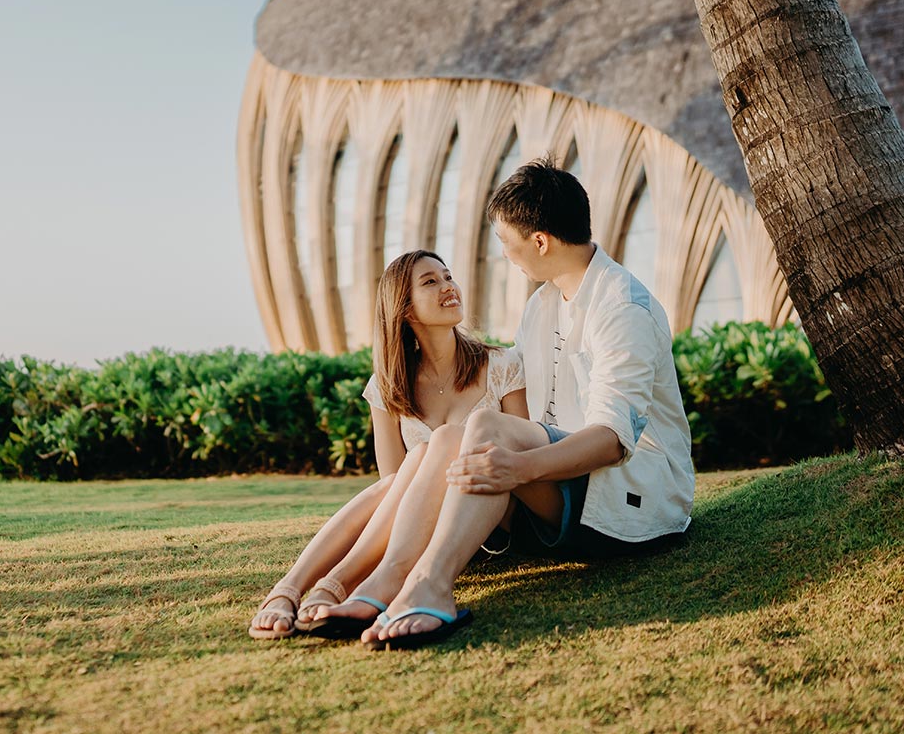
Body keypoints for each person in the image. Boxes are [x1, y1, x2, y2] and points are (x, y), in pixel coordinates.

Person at [359, 156, 695, 650]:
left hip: (633, 499)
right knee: (469, 434)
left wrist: (517, 469)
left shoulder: (622, 307)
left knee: (489, 432)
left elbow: (611, 441)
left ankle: (429, 585)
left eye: (506, 241)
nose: (504, 254)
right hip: (561, 488)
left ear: (540, 241)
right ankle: (375, 582)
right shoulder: (542, 307)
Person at [248, 249, 529, 640]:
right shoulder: (387, 386)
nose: (448, 286)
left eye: (448, 277)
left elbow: (517, 459)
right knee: (398, 477)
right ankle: (291, 589)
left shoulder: (502, 365)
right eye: (430, 282)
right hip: (417, 527)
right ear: (406, 309)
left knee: (438, 448)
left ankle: (336, 584)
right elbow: (394, 486)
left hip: (489, 517)